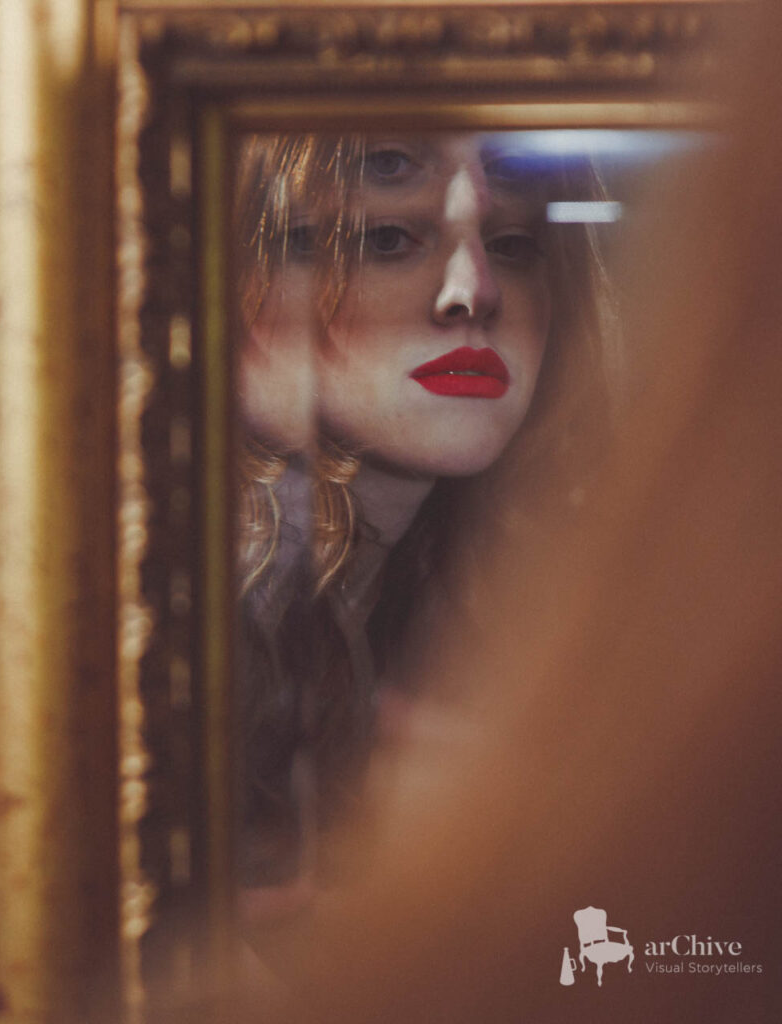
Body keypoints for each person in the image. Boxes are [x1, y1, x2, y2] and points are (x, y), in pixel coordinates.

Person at [233, 132, 619, 907]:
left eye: (514, 244)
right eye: (383, 239)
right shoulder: (197, 637)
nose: (472, 292)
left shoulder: (483, 608)